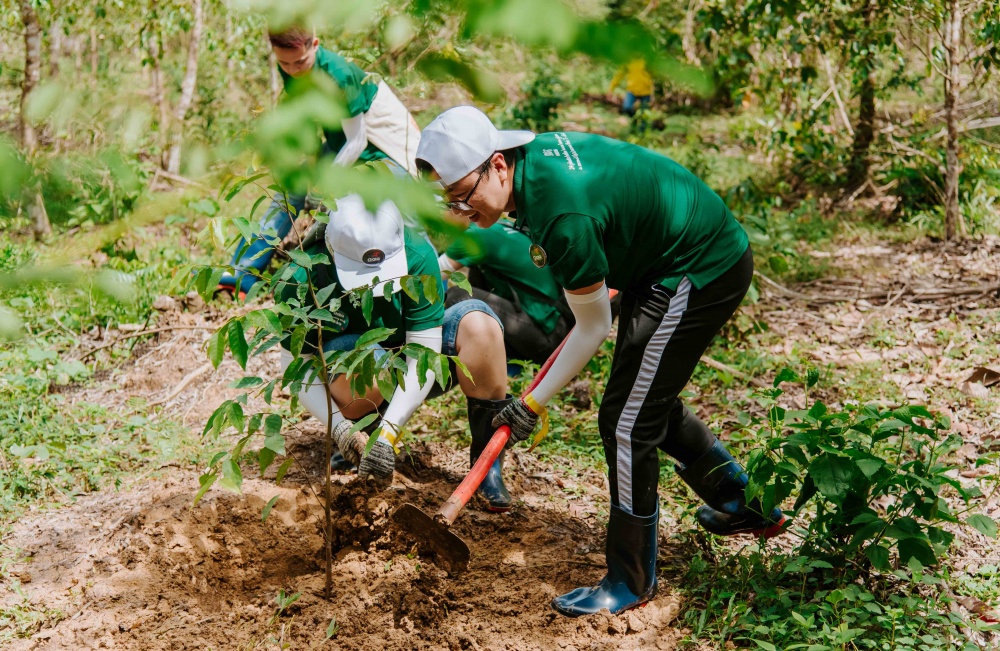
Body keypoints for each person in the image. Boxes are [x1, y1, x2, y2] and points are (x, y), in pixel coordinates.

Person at [414, 106, 787, 617]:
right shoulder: (529, 170)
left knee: (627, 422)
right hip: (657, 262)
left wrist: (532, 404)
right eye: (448, 203)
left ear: (498, 164)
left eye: (463, 196)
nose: (460, 213)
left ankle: (630, 580)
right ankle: (745, 503)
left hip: (697, 268)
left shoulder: (562, 217)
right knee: (643, 398)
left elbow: (592, 327)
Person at [273, 193, 518, 511]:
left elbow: (425, 353)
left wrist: (388, 436)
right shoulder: (300, 273)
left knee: (480, 327)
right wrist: (341, 431)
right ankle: (359, 444)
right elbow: (296, 368)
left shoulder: (416, 253)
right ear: (332, 248)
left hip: (409, 361)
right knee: (358, 366)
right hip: (355, 369)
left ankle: (487, 465)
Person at [220, 25, 421, 298]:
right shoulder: (290, 67)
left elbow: (358, 140)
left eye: (300, 62)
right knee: (291, 188)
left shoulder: (339, 75)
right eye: (285, 63)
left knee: (393, 219)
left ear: (315, 44)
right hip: (342, 146)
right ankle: (241, 275)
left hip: (384, 151)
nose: (293, 70)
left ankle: (424, 284)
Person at [438, 220, 574, 366]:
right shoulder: (499, 226)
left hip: (547, 339)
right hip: (562, 332)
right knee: (470, 291)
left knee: (458, 297)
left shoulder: (476, 235)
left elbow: (428, 276)